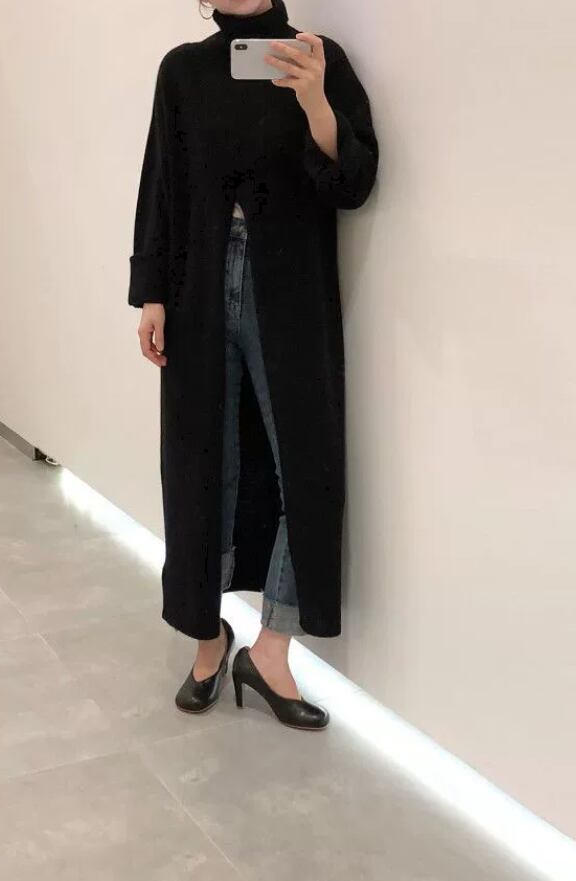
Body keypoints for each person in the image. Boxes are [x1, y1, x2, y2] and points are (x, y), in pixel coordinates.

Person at [128, 0, 378, 730]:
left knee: (307, 464)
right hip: (197, 290)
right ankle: (208, 639)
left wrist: (314, 100)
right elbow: (161, 185)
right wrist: (150, 294)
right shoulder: (183, 70)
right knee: (200, 464)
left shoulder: (316, 58)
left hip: (290, 290)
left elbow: (353, 182)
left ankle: (271, 651)